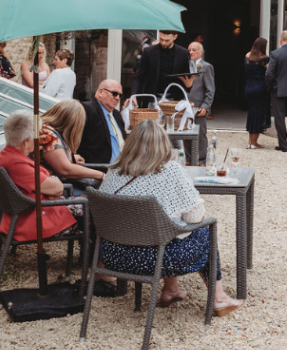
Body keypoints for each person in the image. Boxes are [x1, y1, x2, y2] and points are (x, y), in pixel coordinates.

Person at [98, 120, 242, 315]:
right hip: (157, 259)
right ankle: (219, 298)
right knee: (203, 230)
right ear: (163, 144)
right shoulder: (172, 171)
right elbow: (195, 217)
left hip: (113, 255)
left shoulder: (114, 170)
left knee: (170, 228)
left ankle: (171, 290)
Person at [0, 109, 78, 243]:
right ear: (26, 141)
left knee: (92, 207)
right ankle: (94, 261)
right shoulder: (16, 163)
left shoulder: (8, 155)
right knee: (95, 212)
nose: (38, 139)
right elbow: (55, 188)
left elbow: (49, 186)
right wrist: (53, 185)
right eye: (36, 135)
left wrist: (51, 187)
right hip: (36, 219)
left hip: (35, 212)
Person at [38, 99, 104, 184]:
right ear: (73, 124)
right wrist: (101, 175)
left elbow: (52, 157)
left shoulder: (45, 129)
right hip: (47, 187)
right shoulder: (48, 135)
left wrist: (70, 158)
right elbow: (65, 169)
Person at [79, 79, 127, 168]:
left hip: (120, 170)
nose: (117, 98)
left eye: (120, 95)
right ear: (101, 92)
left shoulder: (117, 115)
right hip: (97, 169)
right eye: (114, 93)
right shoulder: (86, 109)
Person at [133, 30, 190, 100]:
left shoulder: (183, 53)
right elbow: (139, 76)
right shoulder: (149, 52)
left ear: (175, 37)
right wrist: (134, 94)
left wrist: (189, 85)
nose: (163, 43)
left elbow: (187, 78)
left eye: (167, 40)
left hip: (175, 98)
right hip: (152, 96)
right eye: (161, 39)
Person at [184, 41, 215, 152]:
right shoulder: (185, 65)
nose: (191, 52)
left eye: (194, 50)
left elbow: (210, 89)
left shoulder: (206, 67)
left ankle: (202, 161)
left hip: (199, 107)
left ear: (201, 52)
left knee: (200, 135)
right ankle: (188, 160)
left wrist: (205, 106)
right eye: (189, 50)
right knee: (185, 134)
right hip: (185, 106)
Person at [243, 38, 271, 149]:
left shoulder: (247, 56)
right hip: (260, 88)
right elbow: (269, 74)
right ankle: (254, 142)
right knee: (258, 114)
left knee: (252, 113)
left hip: (249, 87)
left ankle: (250, 142)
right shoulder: (265, 59)